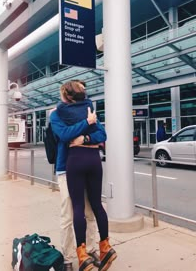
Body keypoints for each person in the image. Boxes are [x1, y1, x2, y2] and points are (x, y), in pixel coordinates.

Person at [51, 80, 117, 271]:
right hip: (65, 168)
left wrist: (85, 138)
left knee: (88, 212)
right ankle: (68, 256)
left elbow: (102, 134)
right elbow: (64, 134)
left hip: (78, 163)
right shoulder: (57, 116)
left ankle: (88, 251)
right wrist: (87, 123)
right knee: (68, 214)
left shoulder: (88, 111)